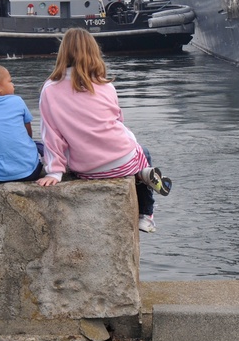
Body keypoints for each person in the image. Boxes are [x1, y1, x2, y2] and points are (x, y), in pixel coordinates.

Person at [36, 28, 172, 233]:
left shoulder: (50, 89)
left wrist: (55, 172)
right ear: (94, 52)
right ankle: (146, 213)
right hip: (124, 160)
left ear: (62, 53)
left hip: (89, 170)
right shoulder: (105, 85)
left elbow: (51, 134)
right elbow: (117, 121)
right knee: (142, 152)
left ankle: (143, 175)